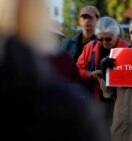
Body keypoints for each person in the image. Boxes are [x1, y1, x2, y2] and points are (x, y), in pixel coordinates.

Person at [0, 0, 105, 140]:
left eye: (90, 17)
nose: (87, 21)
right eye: (84, 17)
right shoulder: (72, 108)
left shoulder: (68, 57)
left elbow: (75, 77)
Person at [77, 16, 130, 141]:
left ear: (116, 35)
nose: (104, 42)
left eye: (108, 39)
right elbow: (78, 69)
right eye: (100, 39)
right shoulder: (90, 47)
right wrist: (90, 74)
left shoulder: (126, 48)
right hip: (97, 98)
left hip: (118, 100)